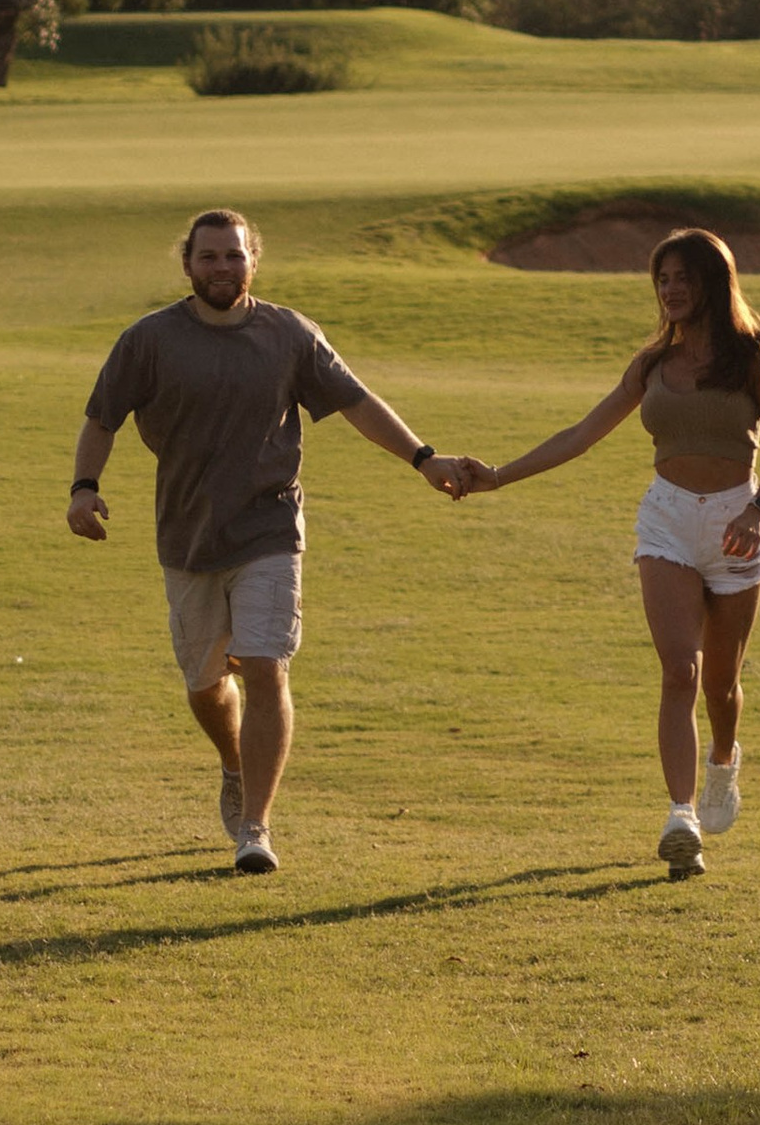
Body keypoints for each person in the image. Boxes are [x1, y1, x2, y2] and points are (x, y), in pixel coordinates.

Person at [67, 206, 468, 874]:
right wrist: (84, 487)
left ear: (254, 260)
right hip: (188, 534)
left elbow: (358, 402)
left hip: (271, 526)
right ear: (187, 265)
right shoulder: (149, 340)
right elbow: (101, 418)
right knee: (204, 683)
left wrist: (424, 459)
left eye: (234, 255)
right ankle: (234, 761)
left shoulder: (290, 334)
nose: (222, 267)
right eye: (209, 256)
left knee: (265, 665)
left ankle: (256, 826)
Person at [458, 225, 760, 879]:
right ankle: (681, 818)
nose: (670, 290)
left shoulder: (757, 356)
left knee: (721, 686)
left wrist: (757, 512)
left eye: (683, 277)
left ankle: (724, 759)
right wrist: (498, 476)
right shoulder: (651, 365)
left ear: (713, 282)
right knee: (680, 672)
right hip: (667, 521)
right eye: (662, 279)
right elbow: (582, 434)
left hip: (737, 522)